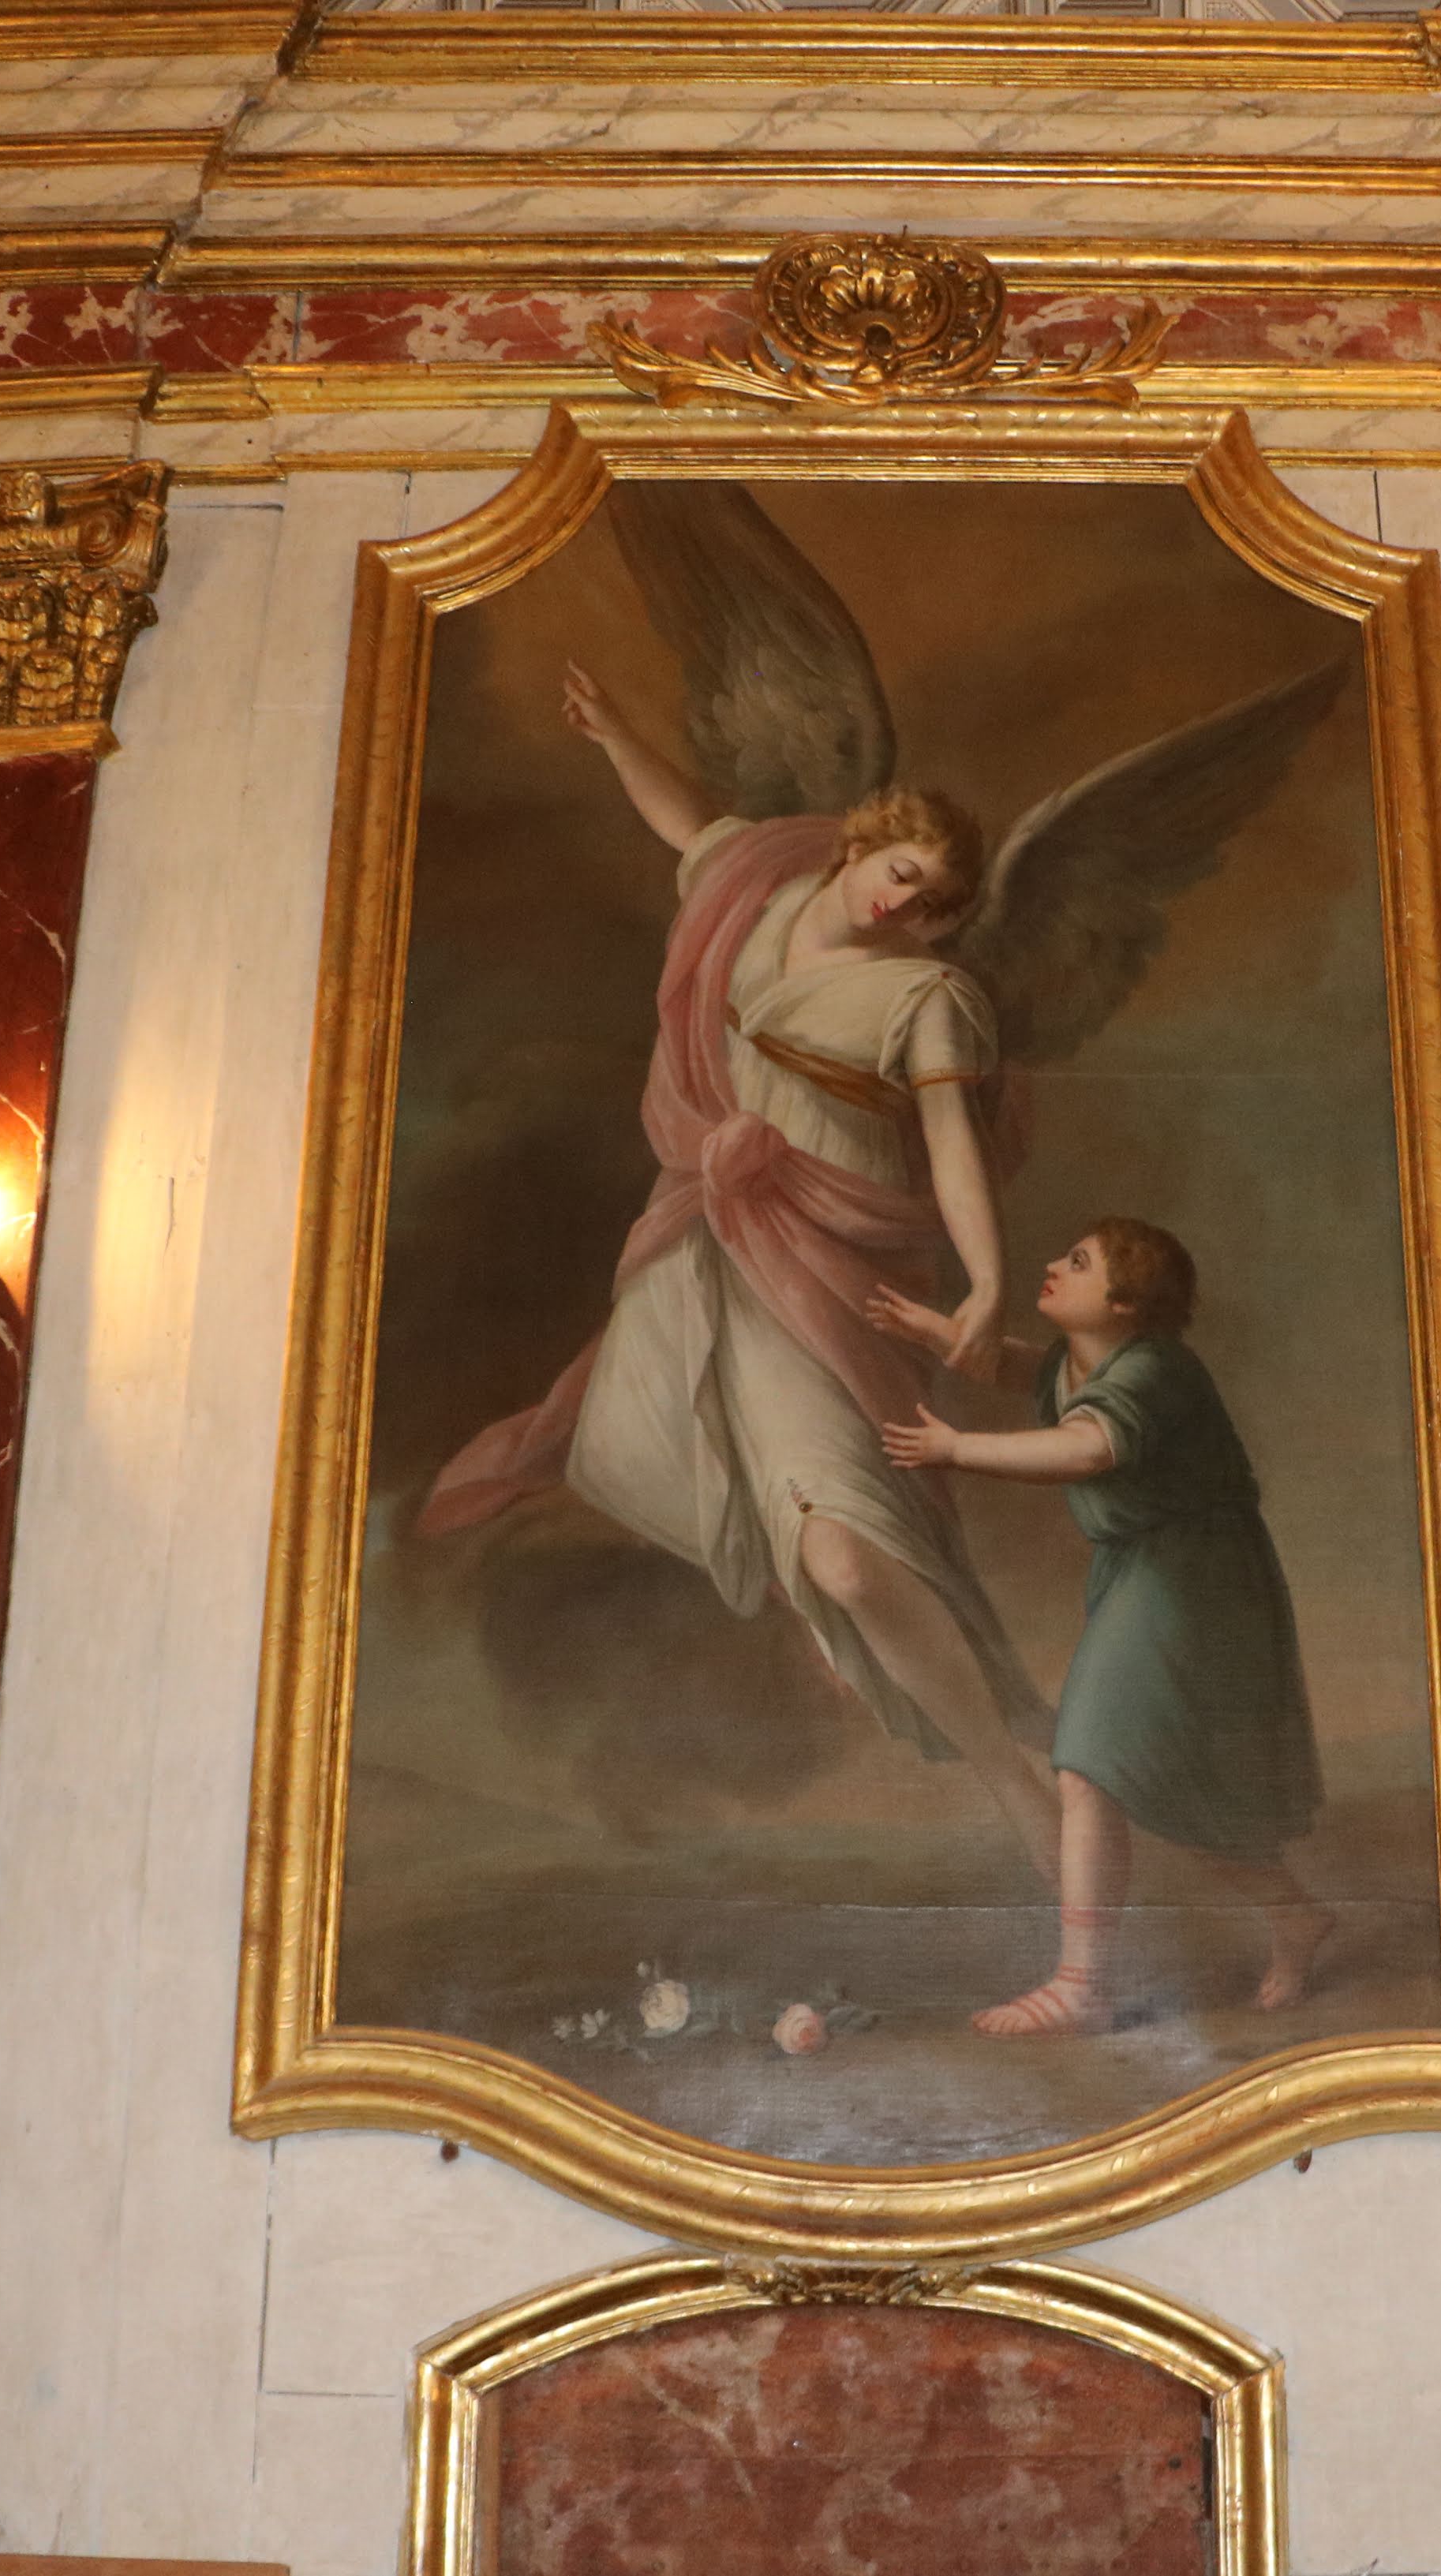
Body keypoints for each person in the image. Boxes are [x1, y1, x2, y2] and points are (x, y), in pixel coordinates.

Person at [420, 664, 1060, 1874]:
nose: (899, 899)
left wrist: (983, 1281)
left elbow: (949, 1147)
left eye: (927, 894)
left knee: (852, 1557)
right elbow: (690, 825)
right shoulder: (760, 890)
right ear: (863, 845)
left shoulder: (922, 995)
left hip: (831, 1273)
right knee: (642, 1451)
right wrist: (616, 730)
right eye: (896, 868)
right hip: (712, 1245)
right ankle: (853, 1636)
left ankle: (1012, 1785)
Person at [878, 1221, 1330, 2035]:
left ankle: (1080, 1985)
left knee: (1092, 1765)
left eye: (1078, 1262)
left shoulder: (1156, 1370)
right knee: (1158, 1777)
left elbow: (1087, 1449)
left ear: (1123, 1302)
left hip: (1194, 1579)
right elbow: (1018, 1368)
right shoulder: (1087, 1358)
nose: (1052, 1263)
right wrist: (937, 1331)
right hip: (1146, 1574)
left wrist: (955, 1447)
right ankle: (1293, 1913)